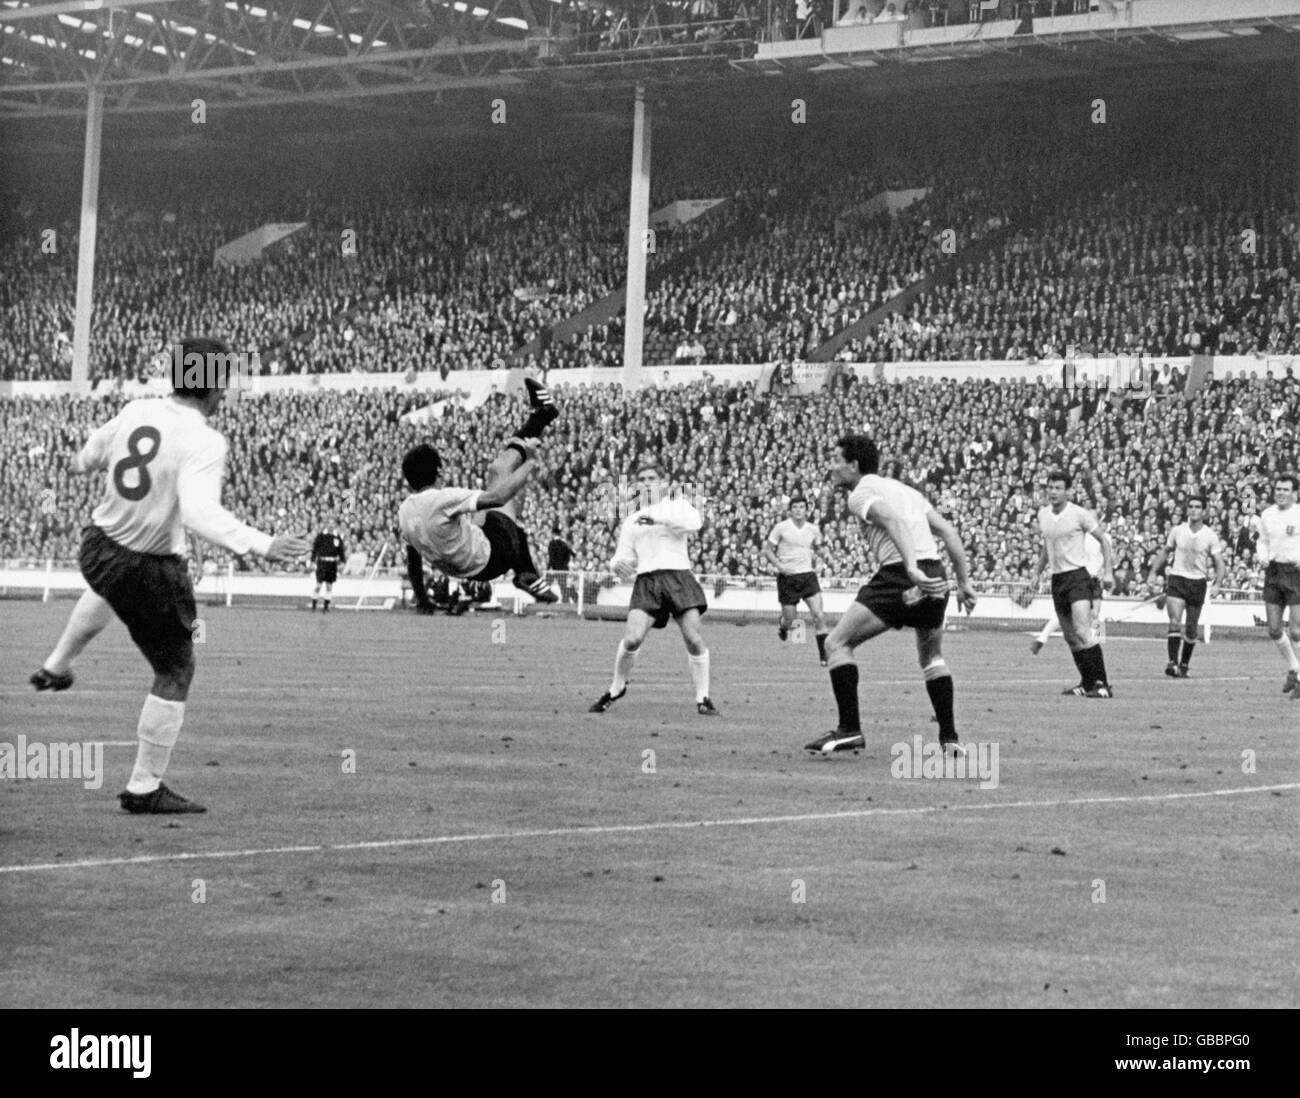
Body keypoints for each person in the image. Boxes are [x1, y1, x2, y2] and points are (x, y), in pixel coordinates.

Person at [29, 337, 310, 814]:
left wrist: (76, 465)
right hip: (149, 564)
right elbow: (200, 514)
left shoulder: (138, 408)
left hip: (97, 546)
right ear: (213, 384)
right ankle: (143, 787)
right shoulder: (205, 439)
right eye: (224, 381)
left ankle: (57, 665)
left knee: (108, 586)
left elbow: (93, 451)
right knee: (175, 670)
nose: (226, 392)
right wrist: (265, 544)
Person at [805, 436, 976, 756]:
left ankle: (849, 729)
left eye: (836, 460)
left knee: (835, 644)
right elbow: (949, 533)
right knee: (932, 657)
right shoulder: (908, 491)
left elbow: (892, 520)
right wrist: (964, 584)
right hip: (935, 574)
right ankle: (949, 738)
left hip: (901, 574)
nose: (832, 467)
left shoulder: (861, 493)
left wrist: (910, 567)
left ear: (853, 465)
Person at [400, 375, 560, 610]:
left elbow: (413, 560)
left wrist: (422, 599)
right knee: (499, 471)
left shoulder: (404, 512)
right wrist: (530, 462)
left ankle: (526, 570)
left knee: (491, 516)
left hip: (468, 566)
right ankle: (542, 415)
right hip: (495, 556)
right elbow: (498, 498)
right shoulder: (443, 499)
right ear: (438, 471)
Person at [589, 461, 718, 716]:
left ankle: (703, 698)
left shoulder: (677, 505)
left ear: (663, 481)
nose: (647, 483)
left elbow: (695, 523)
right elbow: (620, 555)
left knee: (693, 639)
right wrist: (617, 565)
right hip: (647, 580)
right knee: (633, 638)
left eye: (651, 478)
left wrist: (658, 517)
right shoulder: (631, 519)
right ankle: (616, 687)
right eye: (642, 479)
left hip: (679, 576)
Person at [1024, 470, 1115, 698]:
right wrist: (1036, 572)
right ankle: (1086, 683)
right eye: (1050, 488)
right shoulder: (1043, 514)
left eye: (1058, 488)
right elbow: (1047, 547)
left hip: (1078, 578)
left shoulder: (1079, 514)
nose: (1053, 492)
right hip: (1058, 579)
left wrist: (1108, 572)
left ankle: (1102, 684)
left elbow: (1103, 541)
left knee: (1083, 631)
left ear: (1068, 491)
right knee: (1071, 638)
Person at [1145, 495, 1226, 678]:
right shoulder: (1177, 531)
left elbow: (1219, 563)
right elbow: (1165, 551)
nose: (1194, 510)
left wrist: (1217, 584)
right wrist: (1152, 572)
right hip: (1177, 579)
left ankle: (1184, 665)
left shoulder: (1210, 535)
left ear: (1204, 511)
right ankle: (1172, 663)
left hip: (1197, 582)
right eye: (1191, 506)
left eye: (1198, 506)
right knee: (1174, 621)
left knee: (1191, 628)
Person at [763, 495, 829, 665]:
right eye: (795, 507)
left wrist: (824, 554)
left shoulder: (813, 529)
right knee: (791, 621)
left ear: (807, 510)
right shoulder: (781, 528)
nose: (799, 510)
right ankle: (783, 626)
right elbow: (768, 550)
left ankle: (824, 656)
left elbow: (819, 547)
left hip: (808, 576)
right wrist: (779, 565)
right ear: (790, 510)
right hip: (788, 578)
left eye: (802, 507)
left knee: (819, 615)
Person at [1256, 473, 1300, 697]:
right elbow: (1262, 540)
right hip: (1273, 571)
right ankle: (1295, 667)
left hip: (1296, 573)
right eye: (1278, 489)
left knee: (1296, 631)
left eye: (1285, 490)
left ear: (1295, 493)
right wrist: (1262, 555)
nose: (1281, 493)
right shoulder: (1267, 514)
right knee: (1274, 629)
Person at [310, 520, 346, 611]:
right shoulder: (321, 536)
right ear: (326, 525)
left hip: (332, 563)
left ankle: (326, 606)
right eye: (329, 524)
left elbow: (341, 550)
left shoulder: (337, 537)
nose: (331, 526)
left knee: (329, 585)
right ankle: (314, 602)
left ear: (334, 526)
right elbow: (315, 549)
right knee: (318, 585)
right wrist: (312, 560)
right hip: (322, 562)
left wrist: (343, 561)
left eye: (332, 524)